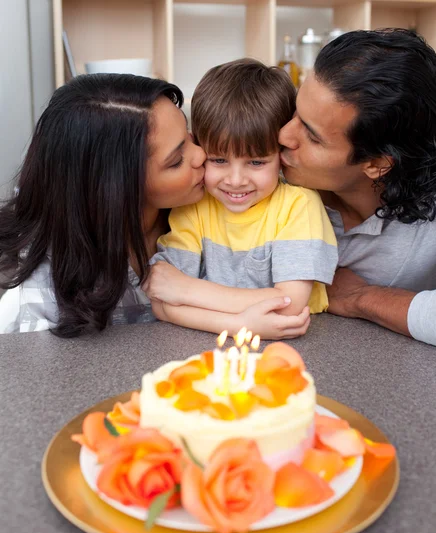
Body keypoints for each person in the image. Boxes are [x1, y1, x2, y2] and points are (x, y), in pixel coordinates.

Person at [0, 73, 309, 338]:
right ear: (118, 189)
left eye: (190, 137)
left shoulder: (206, 209)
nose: (202, 155)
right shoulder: (36, 299)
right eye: (176, 161)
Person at [278, 28, 436, 354]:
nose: (282, 135)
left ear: (377, 164)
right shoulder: (259, 171)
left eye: (312, 135)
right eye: (296, 111)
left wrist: (360, 297)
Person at [144, 59, 338, 337]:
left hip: (292, 354)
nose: (235, 180)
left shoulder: (299, 206)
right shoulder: (193, 205)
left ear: (281, 156)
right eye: (219, 160)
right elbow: (161, 301)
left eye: (256, 163)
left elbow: (290, 306)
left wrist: (187, 290)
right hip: (208, 352)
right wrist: (239, 325)